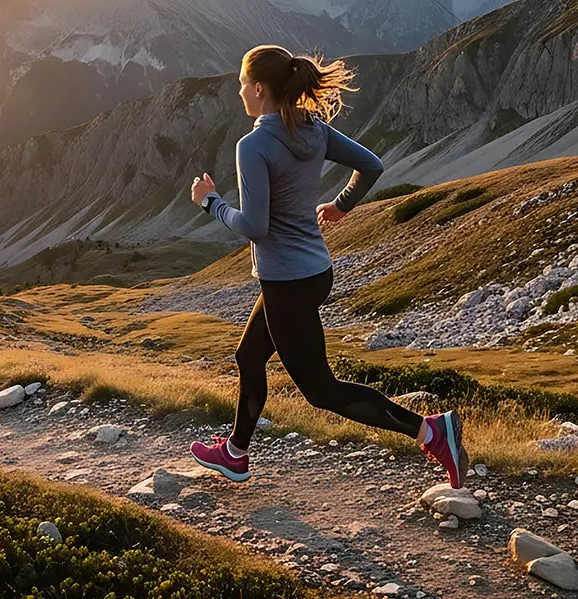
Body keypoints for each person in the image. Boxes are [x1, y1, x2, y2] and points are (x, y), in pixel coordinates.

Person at [186, 44, 466, 487]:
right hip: (314, 272)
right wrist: (340, 206)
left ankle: (432, 431)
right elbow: (371, 165)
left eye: (242, 83)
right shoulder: (312, 129)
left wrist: (211, 203)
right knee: (250, 354)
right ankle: (236, 453)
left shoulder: (254, 145)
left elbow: (254, 227)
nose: (239, 91)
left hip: (287, 282)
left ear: (259, 88)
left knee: (321, 391)